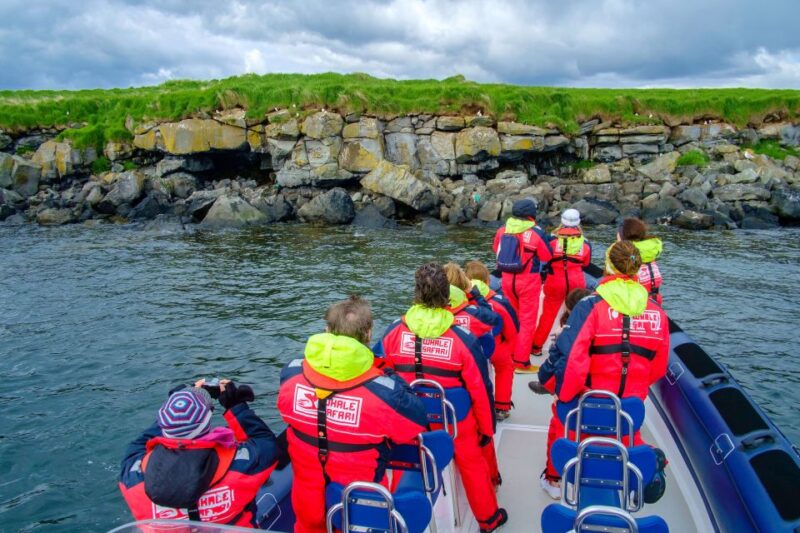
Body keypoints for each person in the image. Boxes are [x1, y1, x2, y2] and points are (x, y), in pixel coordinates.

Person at [277, 295, 429, 533]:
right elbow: (416, 422)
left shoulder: (291, 374)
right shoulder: (383, 393)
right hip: (360, 502)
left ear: (327, 330)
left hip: (306, 497)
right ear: (368, 334)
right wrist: (389, 375)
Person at [377, 263, 508, 533]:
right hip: (455, 424)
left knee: (401, 466)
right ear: (447, 295)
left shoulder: (392, 333)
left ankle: (394, 519)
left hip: (412, 423)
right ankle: (489, 519)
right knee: (473, 465)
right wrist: (487, 428)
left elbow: (380, 376)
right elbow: (480, 390)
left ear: (416, 293)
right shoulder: (462, 338)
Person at [532, 241, 670, 498]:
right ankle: (643, 464)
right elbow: (658, 367)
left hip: (590, 402)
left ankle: (558, 480)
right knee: (625, 440)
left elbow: (574, 359)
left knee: (576, 442)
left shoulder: (590, 307)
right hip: (631, 405)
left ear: (608, 267)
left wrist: (564, 394)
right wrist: (635, 387)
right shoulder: (657, 313)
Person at [119, 379, 281, 526]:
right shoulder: (241, 468)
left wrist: (175, 403)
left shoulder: (133, 479)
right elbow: (266, 443)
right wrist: (235, 407)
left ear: (163, 422)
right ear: (206, 420)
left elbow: (139, 444)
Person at [528, 287, 592, 499]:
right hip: (592, 388)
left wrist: (548, 383)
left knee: (558, 430)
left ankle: (553, 478)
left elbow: (556, 362)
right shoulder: (603, 329)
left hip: (568, 389)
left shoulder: (565, 333)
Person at [492, 198, 553, 372]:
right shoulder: (536, 232)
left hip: (506, 278)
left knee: (511, 318)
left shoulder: (502, 230)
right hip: (527, 280)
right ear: (531, 215)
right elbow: (546, 255)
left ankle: (510, 354)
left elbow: (495, 248)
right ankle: (520, 362)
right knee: (527, 322)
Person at [531, 208, 592, 356]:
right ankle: (574, 346)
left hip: (555, 281)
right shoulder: (585, 243)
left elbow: (544, 259)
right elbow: (586, 263)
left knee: (547, 316)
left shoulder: (551, 240)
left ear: (562, 221)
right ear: (578, 223)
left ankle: (536, 347)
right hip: (576, 281)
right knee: (577, 314)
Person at [464, 260, 519, 421]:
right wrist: (510, 349)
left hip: (472, 346)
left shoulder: (462, 303)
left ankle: (475, 406)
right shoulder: (499, 301)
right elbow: (512, 328)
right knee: (505, 369)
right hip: (497, 345)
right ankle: (501, 407)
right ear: (488, 281)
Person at [617, 217, 664, 305]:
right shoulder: (649, 253)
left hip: (635, 304)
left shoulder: (629, 255)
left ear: (622, 235)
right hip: (655, 301)